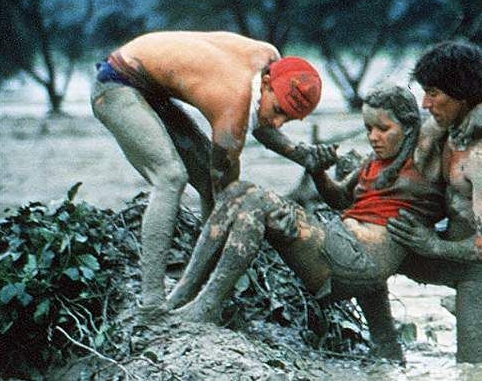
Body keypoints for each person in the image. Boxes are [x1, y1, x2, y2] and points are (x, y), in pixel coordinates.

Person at [166, 84, 444, 361]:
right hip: (351, 249)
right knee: (235, 191)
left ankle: (208, 304)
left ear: (408, 128)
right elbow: (338, 198)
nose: (373, 137)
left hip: (358, 260)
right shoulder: (374, 161)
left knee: (254, 198)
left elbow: (450, 124)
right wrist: (318, 172)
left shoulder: (423, 159)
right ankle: (183, 294)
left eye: (383, 129)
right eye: (368, 128)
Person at [91, 30, 335, 318]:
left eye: (289, 120)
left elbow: (262, 121)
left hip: (152, 89)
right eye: (280, 110)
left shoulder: (270, 59)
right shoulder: (233, 103)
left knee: (207, 183)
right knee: (170, 178)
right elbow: (228, 195)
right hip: (116, 84)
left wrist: (302, 154)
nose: (279, 122)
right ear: (267, 83)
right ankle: (151, 304)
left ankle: (193, 288)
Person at [387, 41, 482, 363]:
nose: (425, 102)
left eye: (433, 93)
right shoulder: (449, 123)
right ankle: (384, 346)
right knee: (363, 256)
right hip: (446, 243)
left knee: (478, 376)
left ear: (460, 94)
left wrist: (432, 245)